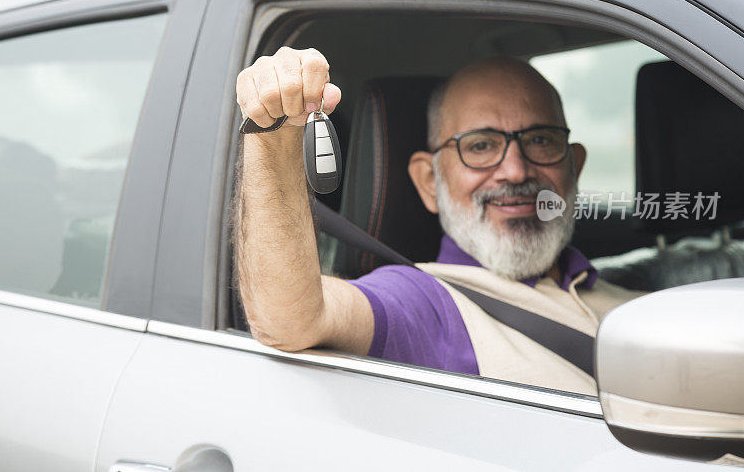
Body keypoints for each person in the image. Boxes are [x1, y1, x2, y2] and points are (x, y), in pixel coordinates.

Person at [235, 47, 642, 394]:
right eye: (480, 146)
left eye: (540, 140)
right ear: (429, 181)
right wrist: (275, 135)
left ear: (576, 166)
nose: (516, 172)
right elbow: (293, 320)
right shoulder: (427, 301)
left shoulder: (637, 284)